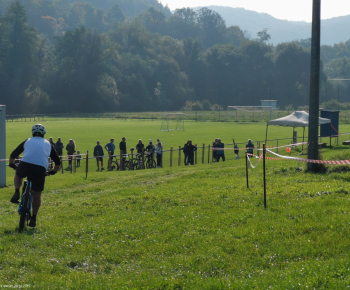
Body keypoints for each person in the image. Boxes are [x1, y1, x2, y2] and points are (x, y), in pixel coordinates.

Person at [8, 124, 61, 228]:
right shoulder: (48, 144)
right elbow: (57, 162)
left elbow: (13, 154)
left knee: (18, 174)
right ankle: (34, 218)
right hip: (40, 168)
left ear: (33, 133)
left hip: (25, 164)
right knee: (37, 194)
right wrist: (52, 172)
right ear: (43, 133)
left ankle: (16, 192)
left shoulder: (28, 141)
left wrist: (12, 164)